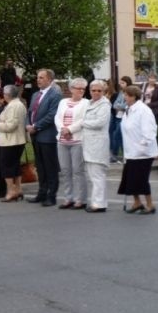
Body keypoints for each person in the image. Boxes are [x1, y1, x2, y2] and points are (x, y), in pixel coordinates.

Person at [118, 85, 158, 214]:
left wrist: (142, 145)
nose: (124, 97)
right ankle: (137, 202)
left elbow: (150, 131)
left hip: (143, 153)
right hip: (131, 152)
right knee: (130, 179)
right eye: (124, 94)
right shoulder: (128, 110)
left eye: (126, 95)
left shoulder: (143, 110)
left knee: (141, 180)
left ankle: (150, 204)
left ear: (133, 96)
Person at [26, 68, 62, 206]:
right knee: (40, 166)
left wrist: (36, 126)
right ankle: (41, 192)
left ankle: (51, 195)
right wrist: (28, 124)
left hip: (47, 136)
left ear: (49, 79)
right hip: (36, 136)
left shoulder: (55, 95)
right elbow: (29, 112)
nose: (38, 80)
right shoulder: (36, 95)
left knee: (50, 167)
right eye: (38, 77)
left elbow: (52, 115)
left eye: (41, 77)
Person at [54, 77, 89, 209]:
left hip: (77, 140)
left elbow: (83, 120)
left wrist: (69, 129)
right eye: (78, 88)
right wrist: (62, 129)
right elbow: (57, 117)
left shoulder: (86, 103)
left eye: (83, 89)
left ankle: (80, 199)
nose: (81, 91)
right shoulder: (63, 102)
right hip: (62, 140)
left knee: (78, 170)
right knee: (65, 170)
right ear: (71, 89)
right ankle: (68, 198)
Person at [80, 80, 111, 213]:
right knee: (92, 175)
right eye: (94, 90)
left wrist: (83, 123)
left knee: (97, 175)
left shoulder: (105, 105)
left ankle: (99, 203)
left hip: (97, 144)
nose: (96, 93)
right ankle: (95, 201)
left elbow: (100, 122)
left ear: (104, 92)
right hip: (88, 143)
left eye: (99, 91)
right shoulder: (89, 103)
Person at [0, 85, 27, 202]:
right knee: (15, 165)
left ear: (7, 95)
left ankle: (11, 190)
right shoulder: (19, 104)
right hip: (17, 140)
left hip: (10, 141)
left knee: (6, 166)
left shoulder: (13, 106)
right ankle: (18, 188)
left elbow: (11, 125)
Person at [109, 76, 130, 163]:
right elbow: (114, 105)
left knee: (117, 135)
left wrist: (120, 106)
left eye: (123, 83)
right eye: (120, 83)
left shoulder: (129, 93)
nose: (120, 85)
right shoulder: (121, 93)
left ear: (127, 83)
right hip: (118, 116)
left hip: (124, 117)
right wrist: (120, 106)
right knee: (117, 136)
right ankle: (116, 155)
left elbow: (126, 105)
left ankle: (121, 155)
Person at [141, 73, 158, 141]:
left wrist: (149, 105)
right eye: (151, 78)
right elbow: (139, 96)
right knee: (144, 129)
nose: (152, 80)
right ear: (148, 78)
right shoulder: (143, 86)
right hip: (143, 111)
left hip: (154, 112)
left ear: (156, 80)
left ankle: (156, 147)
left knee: (154, 130)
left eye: (154, 78)